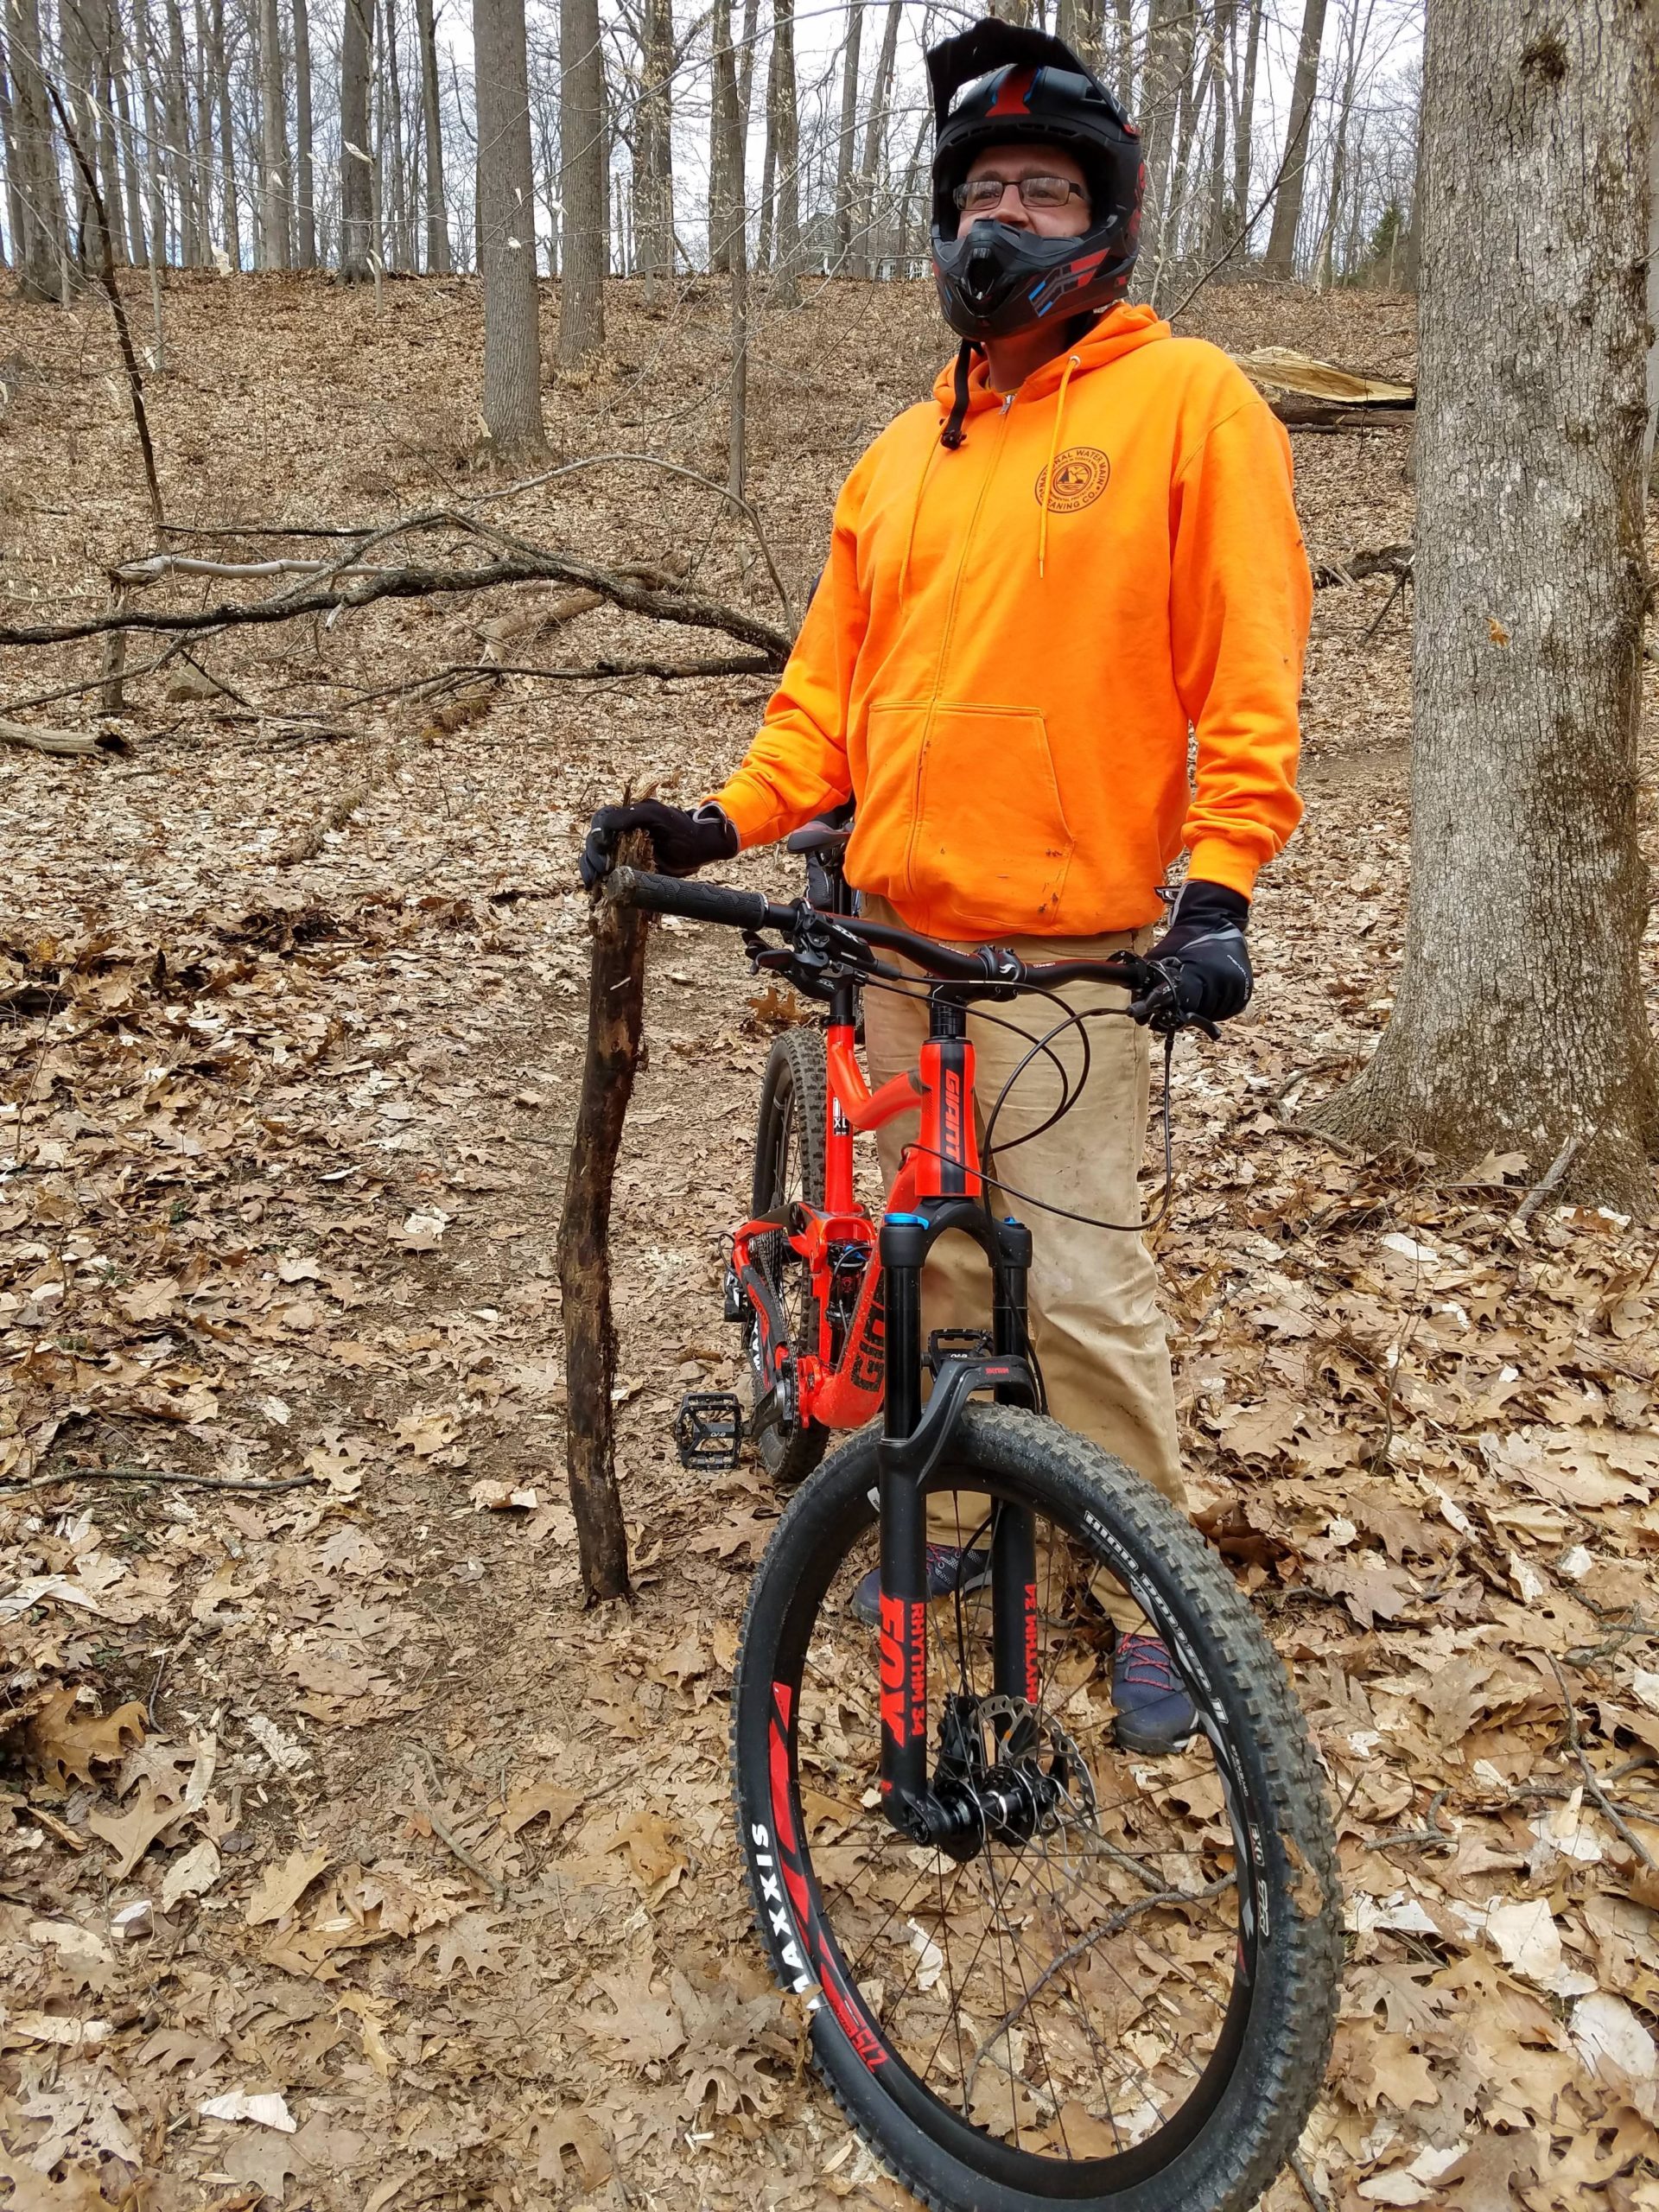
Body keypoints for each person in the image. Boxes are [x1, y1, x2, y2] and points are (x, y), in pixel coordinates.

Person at [582, 19, 1311, 1755]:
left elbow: (1249, 686)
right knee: (933, 1273)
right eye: (983, 190)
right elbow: (824, 704)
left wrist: (1217, 889)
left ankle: (1153, 1599)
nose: (1007, 220)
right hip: (892, 944)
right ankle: (968, 1517)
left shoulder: (1188, 407)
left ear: (1106, 217)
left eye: (1041, 188)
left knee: (1077, 1283)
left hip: (1067, 956)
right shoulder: (898, 464)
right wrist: (723, 822)